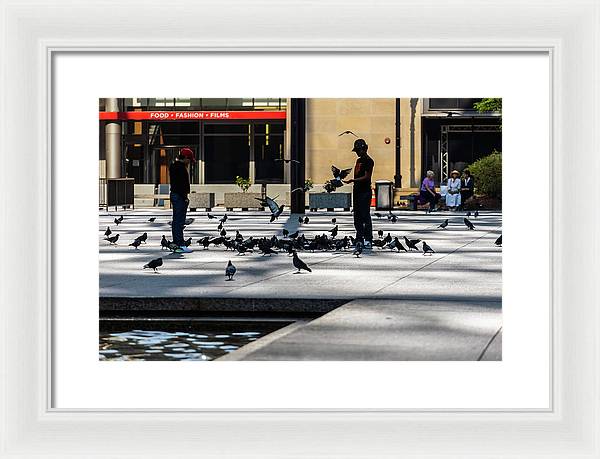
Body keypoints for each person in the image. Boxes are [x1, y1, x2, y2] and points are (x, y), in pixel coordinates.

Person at [343, 138, 374, 248]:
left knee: (365, 215)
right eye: (356, 151)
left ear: (364, 149)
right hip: (357, 191)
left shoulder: (369, 161)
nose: (357, 153)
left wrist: (353, 180)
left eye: (358, 151)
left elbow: (367, 176)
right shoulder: (358, 161)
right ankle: (359, 236)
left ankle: (368, 238)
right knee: (357, 216)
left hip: (365, 191)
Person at [169, 147, 195, 253]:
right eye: (189, 159)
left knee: (177, 220)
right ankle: (179, 243)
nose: (189, 162)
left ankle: (178, 242)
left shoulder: (174, 166)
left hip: (176, 195)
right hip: (179, 196)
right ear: (184, 157)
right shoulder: (180, 168)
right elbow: (180, 185)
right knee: (179, 221)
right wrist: (185, 198)